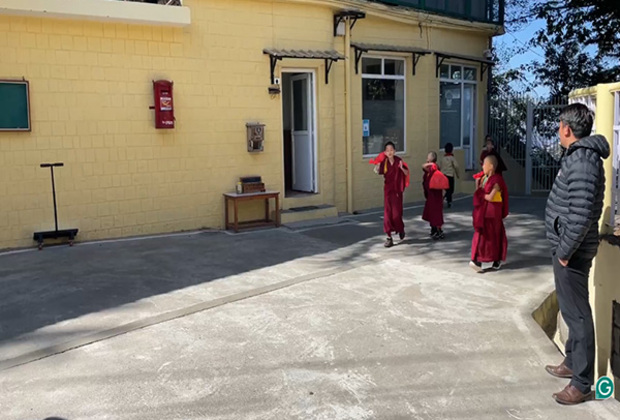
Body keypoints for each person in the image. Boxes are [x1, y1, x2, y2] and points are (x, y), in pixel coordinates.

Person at [544, 104, 609, 405]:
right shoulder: (579, 156)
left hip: (571, 250)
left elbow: (582, 214)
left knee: (579, 315)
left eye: (559, 126)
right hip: (568, 247)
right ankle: (572, 360)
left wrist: (565, 252)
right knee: (572, 310)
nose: (558, 130)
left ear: (567, 129)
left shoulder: (582, 159)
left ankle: (581, 383)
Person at [469, 155, 509, 273]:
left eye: (484, 164)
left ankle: (487, 260)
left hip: (492, 213)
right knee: (483, 237)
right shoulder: (484, 178)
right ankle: (478, 260)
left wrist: (481, 195)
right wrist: (478, 185)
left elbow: (491, 197)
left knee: (492, 238)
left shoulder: (497, 180)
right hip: (484, 212)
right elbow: (479, 192)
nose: (482, 166)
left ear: (491, 166)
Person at [374, 142, 409, 248]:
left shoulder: (399, 161)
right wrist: (377, 164)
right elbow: (377, 171)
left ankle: (400, 228)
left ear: (394, 151)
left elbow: (406, 173)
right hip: (388, 191)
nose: (389, 152)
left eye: (391, 150)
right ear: (385, 152)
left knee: (397, 214)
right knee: (387, 214)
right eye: (387, 150)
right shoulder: (384, 162)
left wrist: (402, 168)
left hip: (397, 191)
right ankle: (389, 237)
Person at [422, 151, 444, 240]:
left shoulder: (433, 167)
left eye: (428, 157)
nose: (426, 159)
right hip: (434, 194)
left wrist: (429, 163)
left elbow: (423, 167)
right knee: (434, 213)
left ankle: (438, 230)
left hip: (434, 195)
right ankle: (434, 229)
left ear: (431, 159)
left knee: (435, 213)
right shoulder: (436, 167)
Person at [441, 143, 460, 208]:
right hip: (450, 176)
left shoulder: (443, 158)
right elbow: (456, 166)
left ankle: (445, 198)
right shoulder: (452, 158)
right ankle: (448, 200)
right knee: (450, 189)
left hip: (443, 175)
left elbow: (441, 167)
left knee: (445, 189)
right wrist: (458, 174)